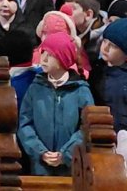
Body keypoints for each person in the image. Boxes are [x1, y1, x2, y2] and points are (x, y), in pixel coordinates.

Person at [17, 33, 94, 175]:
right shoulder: (35, 87)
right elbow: (25, 123)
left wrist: (66, 154)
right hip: (40, 167)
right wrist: (40, 151)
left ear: (63, 59)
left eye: (50, 55)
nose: (44, 58)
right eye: (43, 52)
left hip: (72, 168)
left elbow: (87, 127)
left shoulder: (80, 90)